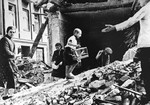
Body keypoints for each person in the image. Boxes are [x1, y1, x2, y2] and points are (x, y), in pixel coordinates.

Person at [101, 0, 150, 104]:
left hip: (147, 46)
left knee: (146, 73)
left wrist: (115, 27)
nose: (139, 3)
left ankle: (148, 97)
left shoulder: (146, 8)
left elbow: (132, 20)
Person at [0, 26, 17, 100]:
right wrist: (14, 55)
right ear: (7, 32)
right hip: (5, 62)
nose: (12, 33)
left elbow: (13, 51)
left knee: (10, 76)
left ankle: (5, 95)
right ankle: (9, 93)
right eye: (10, 32)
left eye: (13, 32)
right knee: (10, 76)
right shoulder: (4, 40)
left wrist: (14, 56)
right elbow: (6, 51)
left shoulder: (12, 41)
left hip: (11, 61)